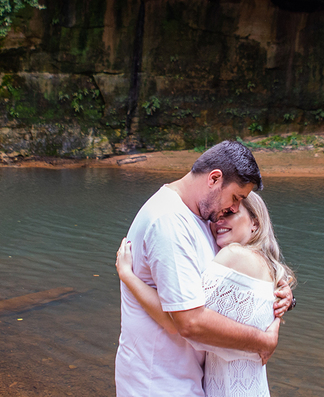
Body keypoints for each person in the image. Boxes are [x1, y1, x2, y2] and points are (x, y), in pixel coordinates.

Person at [114, 141, 291, 397]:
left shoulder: (205, 221)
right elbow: (188, 322)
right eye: (236, 197)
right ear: (214, 178)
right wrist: (263, 341)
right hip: (157, 383)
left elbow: (230, 292)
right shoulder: (169, 221)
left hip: (187, 379)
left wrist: (281, 296)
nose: (233, 208)